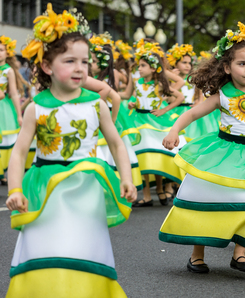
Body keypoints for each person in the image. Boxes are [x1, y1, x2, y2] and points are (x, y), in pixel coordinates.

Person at [6, 4, 136, 297]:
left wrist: (127, 179)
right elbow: (18, 153)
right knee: (44, 246)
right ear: (47, 66)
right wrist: (15, 189)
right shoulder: (35, 107)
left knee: (84, 247)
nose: (80, 68)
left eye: (84, 61)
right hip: (45, 186)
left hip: (86, 185)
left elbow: (116, 142)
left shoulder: (96, 104)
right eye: (70, 61)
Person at [159, 20, 245, 273]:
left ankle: (240, 253)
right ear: (228, 68)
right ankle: (197, 255)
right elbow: (193, 114)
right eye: (242, 64)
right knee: (206, 200)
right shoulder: (222, 96)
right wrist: (174, 130)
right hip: (221, 153)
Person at [120, 42, 184, 207]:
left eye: (143, 66)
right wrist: (132, 103)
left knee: (155, 154)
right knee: (143, 156)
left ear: (153, 68)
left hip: (154, 121)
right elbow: (128, 95)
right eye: (139, 65)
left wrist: (164, 110)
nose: (139, 69)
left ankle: (161, 189)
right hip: (139, 121)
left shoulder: (160, 84)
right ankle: (147, 195)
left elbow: (179, 97)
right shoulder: (137, 82)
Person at [90, 38, 144, 191]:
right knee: (103, 148)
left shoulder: (112, 73)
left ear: (102, 62)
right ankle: (105, 182)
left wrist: (113, 120)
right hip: (99, 113)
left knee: (114, 146)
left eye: (93, 61)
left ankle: (118, 181)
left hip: (110, 112)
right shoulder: (91, 77)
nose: (90, 64)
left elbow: (117, 96)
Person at [0, 36, 24, 184]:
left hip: (4, 109)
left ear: (7, 53)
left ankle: (3, 173)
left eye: (1, 50)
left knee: (6, 142)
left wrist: (19, 115)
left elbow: (14, 93)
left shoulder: (8, 71)